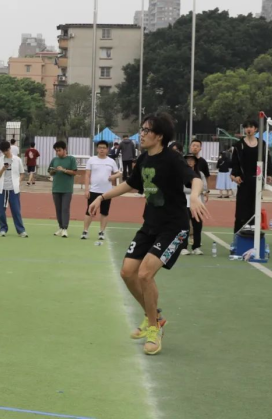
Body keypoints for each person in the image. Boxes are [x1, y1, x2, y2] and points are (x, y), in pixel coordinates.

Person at [89, 113, 209, 355]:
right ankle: (154, 317)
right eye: (141, 129)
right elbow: (131, 184)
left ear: (159, 136)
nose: (141, 134)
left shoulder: (172, 159)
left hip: (174, 227)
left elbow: (194, 179)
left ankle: (154, 329)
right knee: (127, 272)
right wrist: (102, 197)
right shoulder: (144, 158)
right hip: (150, 225)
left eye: (146, 130)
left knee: (144, 274)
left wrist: (195, 197)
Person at [231, 120, 272, 233]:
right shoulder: (238, 145)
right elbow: (235, 162)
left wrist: (269, 174)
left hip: (257, 179)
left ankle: (253, 226)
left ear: (255, 129)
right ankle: (239, 229)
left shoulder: (262, 144)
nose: (248, 129)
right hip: (243, 180)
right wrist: (235, 175)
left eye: (251, 127)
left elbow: (267, 159)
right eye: (246, 127)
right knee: (242, 204)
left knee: (255, 204)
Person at [81, 140, 121, 241]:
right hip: (93, 190)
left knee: (104, 212)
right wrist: (86, 190)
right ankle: (85, 231)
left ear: (107, 149)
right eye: (100, 147)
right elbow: (87, 175)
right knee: (89, 211)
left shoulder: (111, 161)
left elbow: (119, 173)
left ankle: (102, 232)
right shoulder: (91, 160)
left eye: (104, 148)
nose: (102, 149)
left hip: (107, 192)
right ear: (97, 149)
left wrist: (113, 177)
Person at [0, 141, 28, 238]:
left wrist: (18, 182)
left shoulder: (17, 160)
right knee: (1, 211)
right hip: (1, 189)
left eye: (6, 150)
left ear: (10, 148)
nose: (5, 152)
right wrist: (3, 169)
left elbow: (22, 173)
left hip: (13, 189)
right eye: (3, 151)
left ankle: (21, 230)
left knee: (16, 210)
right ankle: (3, 229)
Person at [181, 154, 209, 256]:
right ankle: (183, 247)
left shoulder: (200, 174)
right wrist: (196, 189)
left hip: (198, 204)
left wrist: (197, 190)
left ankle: (196, 247)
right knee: (184, 226)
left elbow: (204, 187)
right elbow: (182, 188)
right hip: (185, 203)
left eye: (192, 160)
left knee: (198, 226)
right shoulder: (182, 173)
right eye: (188, 160)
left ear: (195, 162)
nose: (190, 162)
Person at [49, 141, 78, 238]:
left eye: (59, 150)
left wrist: (64, 170)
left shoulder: (71, 159)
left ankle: (65, 228)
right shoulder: (54, 160)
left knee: (65, 208)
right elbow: (50, 171)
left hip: (67, 189)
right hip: (56, 188)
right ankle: (60, 227)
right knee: (58, 209)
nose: (58, 152)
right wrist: (54, 171)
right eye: (56, 151)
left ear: (65, 149)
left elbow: (74, 172)